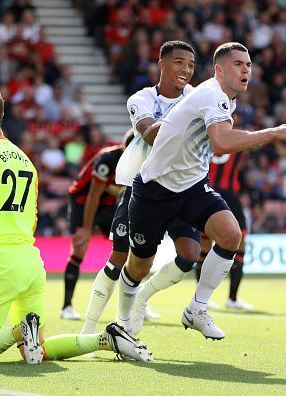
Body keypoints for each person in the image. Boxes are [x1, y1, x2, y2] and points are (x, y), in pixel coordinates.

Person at [0, 85, 151, 364]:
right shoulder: (25, 160)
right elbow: (32, 218)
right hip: (31, 263)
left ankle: (20, 330)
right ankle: (105, 339)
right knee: (39, 349)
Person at [118, 42, 286, 340]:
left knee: (231, 235)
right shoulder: (211, 94)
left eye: (248, 64)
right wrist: (273, 133)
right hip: (155, 188)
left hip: (192, 186)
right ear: (219, 70)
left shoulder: (225, 99)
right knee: (139, 264)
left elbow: (217, 142)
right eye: (238, 64)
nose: (246, 69)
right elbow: (221, 143)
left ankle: (196, 308)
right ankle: (123, 320)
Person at [81, 40, 201, 336]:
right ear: (162, 64)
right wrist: (189, 114)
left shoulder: (199, 97)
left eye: (190, 64)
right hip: (143, 189)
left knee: (189, 255)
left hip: (183, 189)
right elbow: (150, 136)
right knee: (119, 259)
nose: (185, 69)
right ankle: (88, 328)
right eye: (179, 62)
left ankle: (142, 298)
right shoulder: (141, 99)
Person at [61, 130, 134, 320]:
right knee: (80, 247)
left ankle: (132, 304)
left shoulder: (140, 163)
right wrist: (86, 229)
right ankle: (66, 307)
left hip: (107, 203)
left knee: (127, 248)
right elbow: (93, 196)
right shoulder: (107, 160)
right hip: (82, 201)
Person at [193, 152, 254, 311]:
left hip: (207, 194)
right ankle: (232, 299)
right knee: (239, 245)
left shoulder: (205, 141)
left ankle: (201, 299)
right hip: (228, 196)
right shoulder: (236, 144)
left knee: (204, 248)